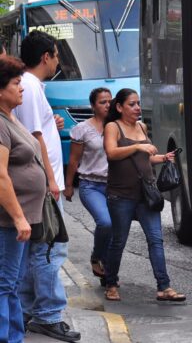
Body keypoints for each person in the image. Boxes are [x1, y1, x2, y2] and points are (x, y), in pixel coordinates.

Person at [13, 30, 80, 342]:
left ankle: (29, 309)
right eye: (56, 55)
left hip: (40, 182)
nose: (57, 62)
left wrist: (51, 122)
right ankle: (48, 315)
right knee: (50, 247)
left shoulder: (31, 86)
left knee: (37, 249)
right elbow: (33, 136)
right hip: (41, 185)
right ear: (45, 57)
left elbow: (35, 128)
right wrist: (53, 181)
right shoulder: (28, 85)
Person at [102, 88, 184, 303]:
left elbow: (145, 159)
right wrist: (139, 146)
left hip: (147, 194)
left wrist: (162, 158)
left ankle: (164, 286)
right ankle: (111, 284)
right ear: (119, 107)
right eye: (132, 104)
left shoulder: (141, 126)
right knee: (119, 241)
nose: (137, 108)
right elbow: (111, 153)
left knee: (156, 240)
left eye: (138, 103)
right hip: (121, 195)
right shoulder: (113, 127)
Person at [0, 56, 46, 343]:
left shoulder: (11, 117)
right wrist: (18, 217)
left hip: (23, 218)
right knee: (4, 284)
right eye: (16, 83)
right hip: (8, 221)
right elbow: (1, 176)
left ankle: (15, 337)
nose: (22, 88)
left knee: (12, 283)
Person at [63, 88, 112, 284]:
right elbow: (73, 160)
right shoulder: (82, 129)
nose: (107, 105)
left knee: (114, 229)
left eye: (110, 101)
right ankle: (96, 257)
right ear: (93, 106)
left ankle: (108, 273)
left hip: (115, 187)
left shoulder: (116, 125)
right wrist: (68, 185)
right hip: (90, 185)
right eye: (102, 102)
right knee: (105, 222)